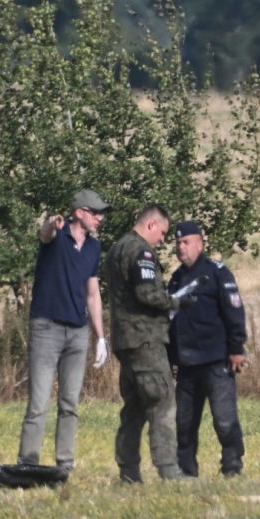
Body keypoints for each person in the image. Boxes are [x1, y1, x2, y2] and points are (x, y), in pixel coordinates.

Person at [16, 189, 109, 472]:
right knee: (39, 403)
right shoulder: (57, 236)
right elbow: (45, 235)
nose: (100, 218)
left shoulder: (94, 248)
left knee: (70, 403)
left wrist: (101, 337)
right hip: (46, 329)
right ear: (79, 212)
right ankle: (28, 464)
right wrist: (50, 223)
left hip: (78, 332)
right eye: (96, 213)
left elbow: (92, 293)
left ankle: (64, 464)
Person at [105, 204, 196, 482]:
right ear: (151, 225)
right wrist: (177, 302)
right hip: (146, 339)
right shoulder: (141, 251)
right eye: (163, 233)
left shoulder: (115, 249)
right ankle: (169, 471)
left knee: (134, 409)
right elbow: (147, 293)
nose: (163, 241)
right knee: (162, 401)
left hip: (125, 341)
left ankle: (129, 473)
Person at [167, 221, 248, 477]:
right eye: (178, 242)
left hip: (215, 361)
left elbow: (234, 311)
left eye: (186, 242)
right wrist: (170, 358)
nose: (181, 247)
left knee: (224, 421)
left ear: (200, 244)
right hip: (187, 365)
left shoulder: (217, 273)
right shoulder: (177, 278)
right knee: (184, 424)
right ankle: (186, 471)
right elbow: (170, 320)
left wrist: (237, 348)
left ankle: (232, 468)